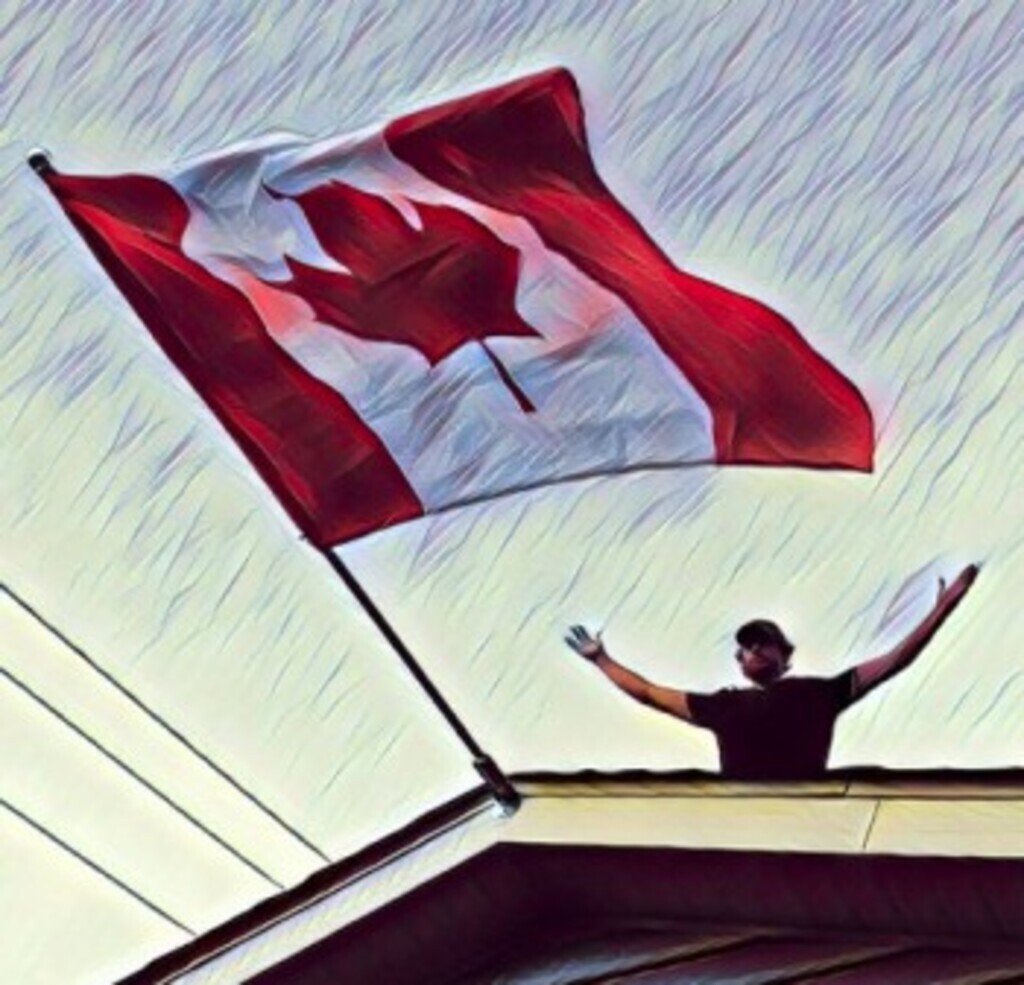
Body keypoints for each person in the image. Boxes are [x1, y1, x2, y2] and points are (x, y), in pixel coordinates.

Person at [565, 563, 981, 780]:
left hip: (804, 819)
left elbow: (896, 659)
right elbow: (648, 693)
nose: (752, 651)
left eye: (761, 643)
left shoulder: (818, 694)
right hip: (746, 826)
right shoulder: (725, 706)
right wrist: (601, 659)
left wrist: (942, 609)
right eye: (746, 647)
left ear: (783, 654)